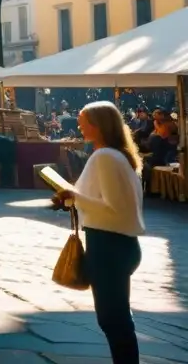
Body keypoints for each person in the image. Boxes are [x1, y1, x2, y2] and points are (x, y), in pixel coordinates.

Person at [53, 101, 144, 364]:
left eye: (84, 120)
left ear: (99, 125)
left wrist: (74, 196)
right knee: (117, 318)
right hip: (119, 244)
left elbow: (114, 207)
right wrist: (72, 200)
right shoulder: (118, 155)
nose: (79, 124)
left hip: (108, 245)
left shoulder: (105, 156)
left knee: (112, 319)